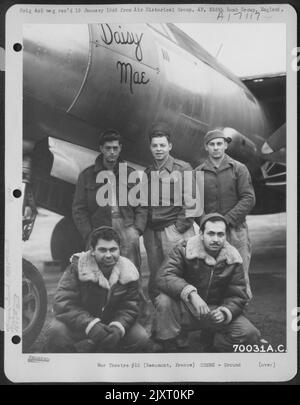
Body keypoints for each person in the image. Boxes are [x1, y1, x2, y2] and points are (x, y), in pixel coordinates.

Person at [152, 213, 260, 352]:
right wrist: (190, 293)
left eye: (220, 234)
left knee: (250, 334)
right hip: (187, 309)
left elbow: (238, 295)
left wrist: (225, 312)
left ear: (226, 235)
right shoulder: (184, 249)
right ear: (201, 233)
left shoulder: (233, 257)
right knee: (164, 300)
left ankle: (213, 342)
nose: (216, 239)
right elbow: (164, 276)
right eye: (211, 234)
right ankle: (169, 344)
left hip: (214, 311)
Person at [43, 227, 149, 353]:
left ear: (119, 249)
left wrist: (117, 328)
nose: (109, 255)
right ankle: (72, 366)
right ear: (92, 250)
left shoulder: (129, 271)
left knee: (141, 337)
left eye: (113, 249)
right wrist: (91, 325)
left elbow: (130, 306)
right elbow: (63, 303)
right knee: (56, 331)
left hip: (111, 324)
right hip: (80, 324)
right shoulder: (77, 267)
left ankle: (110, 355)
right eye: (102, 250)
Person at [72, 129, 147, 270]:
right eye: (108, 148)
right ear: (101, 149)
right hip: (99, 228)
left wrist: (136, 230)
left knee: (130, 271)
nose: (112, 152)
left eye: (115, 148)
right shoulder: (86, 175)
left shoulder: (130, 173)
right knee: (100, 272)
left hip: (126, 227)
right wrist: (88, 234)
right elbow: (78, 209)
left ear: (120, 149)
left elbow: (142, 205)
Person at [194, 127, 256, 299]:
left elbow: (248, 198)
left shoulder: (239, 169)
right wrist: (207, 224)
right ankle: (216, 319)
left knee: (240, 277)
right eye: (212, 144)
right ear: (206, 147)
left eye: (219, 144)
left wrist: (227, 220)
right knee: (212, 278)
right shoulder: (197, 173)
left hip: (236, 231)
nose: (216, 147)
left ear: (225, 146)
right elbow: (193, 204)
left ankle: (240, 318)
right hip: (210, 234)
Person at [143, 122, 195, 301]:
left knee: (181, 274)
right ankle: (162, 320)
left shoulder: (183, 168)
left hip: (173, 231)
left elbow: (191, 203)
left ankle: (186, 322)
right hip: (152, 233)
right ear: (150, 147)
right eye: (155, 145)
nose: (159, 149)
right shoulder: (148, 173)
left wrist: (177, 229)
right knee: (157, 277)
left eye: (162, 145)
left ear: (170, 146)